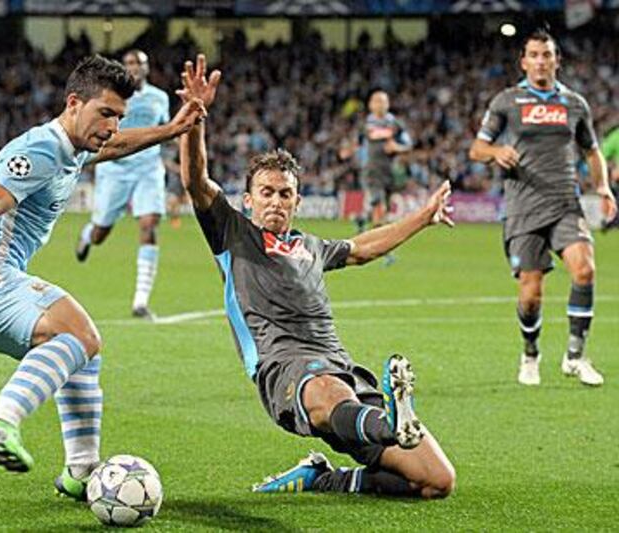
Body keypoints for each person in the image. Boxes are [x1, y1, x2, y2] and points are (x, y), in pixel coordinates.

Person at [178, 55, 455, 499]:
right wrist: (193, 120)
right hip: (285, 365)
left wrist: (422, 217)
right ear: (248, 200)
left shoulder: (311, 246)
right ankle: (391, 423)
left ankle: (322, 477)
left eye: (285, 194)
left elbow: (363, 248)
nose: (275, 202)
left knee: (435, 481)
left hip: (341, 367)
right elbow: (195, 180)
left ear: (297, 200)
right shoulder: (233, 233)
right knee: (328, 394)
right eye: (265, 193)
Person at [0, 55, 206, 499]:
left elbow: (115, 147)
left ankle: (81, 471)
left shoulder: (73, 147)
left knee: (84, 350)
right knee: (81, 334)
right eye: (105, 114)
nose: (112, 127)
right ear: (74, 102)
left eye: (118, 116)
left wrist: (174, 128)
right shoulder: (39, 148)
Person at [470, 30, 617, 387]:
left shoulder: (575, 104)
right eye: (534, 54)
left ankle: (575, 356)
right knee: (531, 293)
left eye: (546, 54)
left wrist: (603, 188)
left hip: (566, 202)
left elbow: (592, 151)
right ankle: (530, 352)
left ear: (556, 60)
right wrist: (495, 153)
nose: (540, 60)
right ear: (524, 61)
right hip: (523, 208)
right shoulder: (507, 101)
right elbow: (477, 148)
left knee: (584, 270)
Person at [75, 50, 172, 319]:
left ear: (147, 68)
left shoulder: (160, 98)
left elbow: (164, 131)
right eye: (130, 63)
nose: (135, 67)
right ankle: (87, 235)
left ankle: (140, 302)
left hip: (149, 169)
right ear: (124, 68)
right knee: (101, 233)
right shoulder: (111, 97)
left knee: (149, 224)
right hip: (115, 170)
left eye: (140, 63)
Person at [360, 91, 412, 241]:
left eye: (383, 101)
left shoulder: (395, 124)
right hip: (372, 169)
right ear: (370, 105)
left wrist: (397, 147)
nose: (380, 105)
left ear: (388, 104)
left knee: (386, 208)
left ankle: (367, 223)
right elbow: (365, 138)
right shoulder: (367, 123)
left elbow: (408, 145)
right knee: (379, 204)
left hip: (389, 171)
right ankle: (377, 239)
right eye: (376, 101)